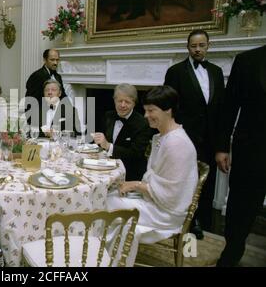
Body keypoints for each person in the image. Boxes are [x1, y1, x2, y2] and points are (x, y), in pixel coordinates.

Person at [107, 85, 198, 266]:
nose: (146, 115)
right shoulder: (163, 136)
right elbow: (158, 179)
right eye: (145, 110)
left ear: (168, 110)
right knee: (107, 196)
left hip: (167, 212)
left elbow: (171, 195)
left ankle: (109, 260)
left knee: (106, 204)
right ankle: (107, 257)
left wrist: (136, 185)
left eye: (151, 111)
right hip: (156, 201)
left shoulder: (176, 143)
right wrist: (137, 184)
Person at [164, 29, 225, 239]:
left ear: (208, 46)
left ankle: (203, 221)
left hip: (210, 140)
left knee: (206, 182)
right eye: (193, 46)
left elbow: (221, 110)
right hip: (185, 139)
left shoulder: (216, 72)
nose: (197, 49)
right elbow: (168, 107)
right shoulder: (175, 72)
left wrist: (221, 146)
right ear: (187, 47)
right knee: (185, 180)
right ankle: (187, 220)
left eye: (201, 45)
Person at [215, 45, 266, 267]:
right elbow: (229, 106)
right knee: (240, 208)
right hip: (251, 150)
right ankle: (232, 253)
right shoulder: (247, 60)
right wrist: (222, 147)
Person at [92, 84, 151, 181]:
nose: (122, 105)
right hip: (105, 169)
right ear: (114, 100)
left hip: (130, 175)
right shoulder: (108, 115)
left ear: (134, 103)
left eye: (127, 102)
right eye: (119, 101)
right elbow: (100, 142)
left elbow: (136, 154)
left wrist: (108, 146)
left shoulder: (142, 123)